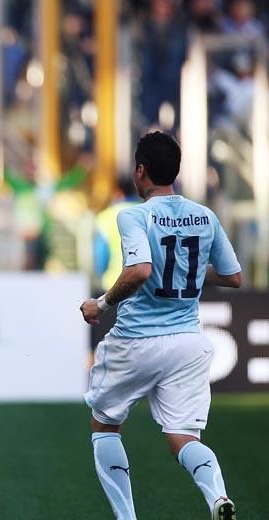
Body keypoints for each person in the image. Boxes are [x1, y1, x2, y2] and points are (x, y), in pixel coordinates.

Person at [80, 131, 241, 520]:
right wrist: (188, 269)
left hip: (137, 340)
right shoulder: (205, 215)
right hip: (187, 341)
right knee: (182, 438)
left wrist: (100, 304)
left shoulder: (134, 214)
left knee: (104, 424)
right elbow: (233, 276)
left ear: (141, 170)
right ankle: (217, 497)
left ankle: (127, 517)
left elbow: (139, 270)